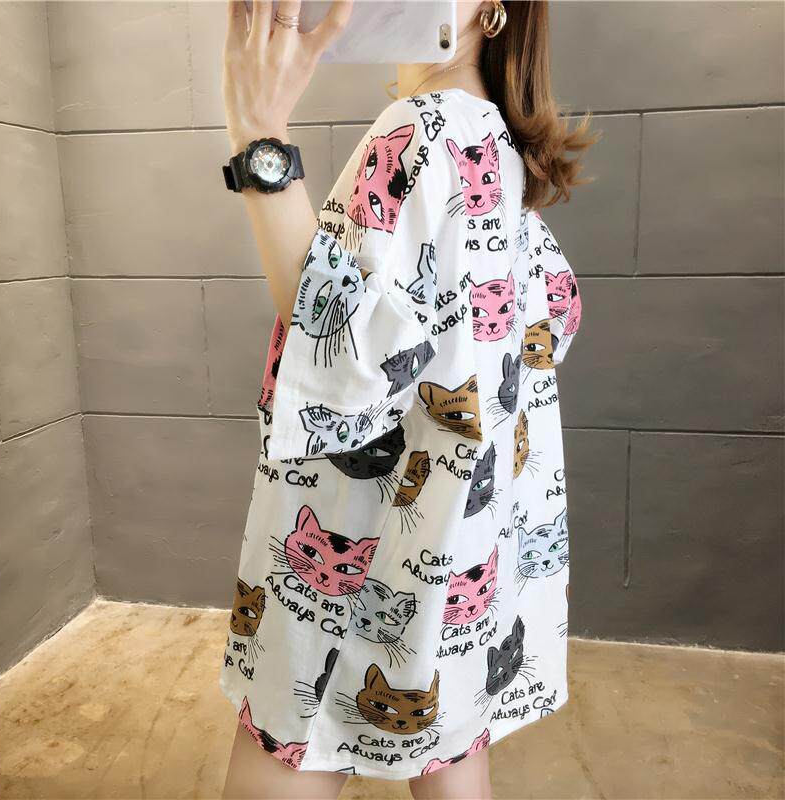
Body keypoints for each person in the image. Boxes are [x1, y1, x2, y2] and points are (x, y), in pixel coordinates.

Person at [218, 1, 600, 798]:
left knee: (291, 736)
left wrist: (258, 137)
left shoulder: (422, 128)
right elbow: (548, 320)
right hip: (462, 540)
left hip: (362, 534)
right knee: (448, 738)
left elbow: (341, 350)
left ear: (492, 9)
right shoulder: (493, 142)